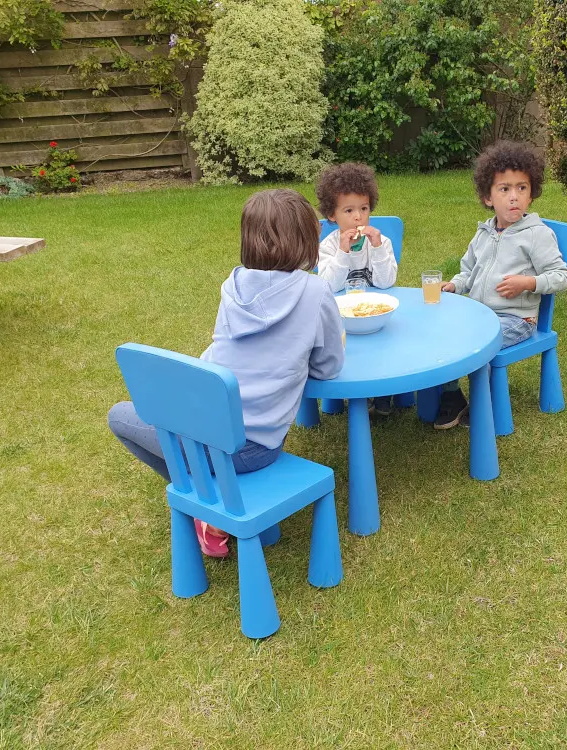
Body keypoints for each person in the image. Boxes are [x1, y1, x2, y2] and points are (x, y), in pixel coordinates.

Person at [108, 189, 345, 556]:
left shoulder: (231, 287)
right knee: (164, 428)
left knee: (119, 416)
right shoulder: (316, 292)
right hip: (258, 448)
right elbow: (329, 367)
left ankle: (202, 496)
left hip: (211, 429)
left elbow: (218, 352)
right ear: (307, 240)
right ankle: (210, 500)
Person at [435, 140, 567, 429]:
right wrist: (455, 286)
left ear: (531, 194)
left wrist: (528, 282)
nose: (514, 197)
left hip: (517, 319)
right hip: (480, 313)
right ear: (488, 197)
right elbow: (468, 271)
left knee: (478, 342)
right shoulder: (484, 233)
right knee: (440, 331)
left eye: (521, 188)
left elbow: (561, 276)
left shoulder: (536, 234)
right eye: (504, 189)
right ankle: (451, 396)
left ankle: (484, 404)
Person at [316, 161, 399, 414]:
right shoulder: (329, 246)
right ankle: (348, 392)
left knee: (387, 345)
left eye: (363, 209)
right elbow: (327, 286)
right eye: (349, 210)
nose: (358, 217)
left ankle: (384, 394)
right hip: (340, 319)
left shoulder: (380, 241)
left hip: (375, 314)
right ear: (332, 215)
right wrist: (343, 252)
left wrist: (376, 248)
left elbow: (386, 282)